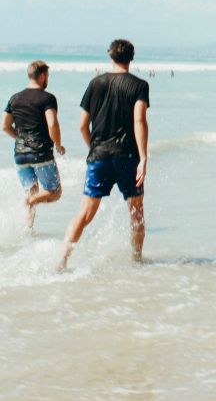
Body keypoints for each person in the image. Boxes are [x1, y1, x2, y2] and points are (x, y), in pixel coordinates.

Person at [58, 39, 149, 271]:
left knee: (85, 212)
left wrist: (94, 147)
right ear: (132, 58)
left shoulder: (95, 83)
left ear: (111, 57)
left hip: (99, 155)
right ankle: (137, 261)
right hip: (127, 156)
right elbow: (139, 120)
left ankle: (62, 260)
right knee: (136, 211)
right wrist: (144, 157)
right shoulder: (139, 85)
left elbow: (82, 125)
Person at [2, 60, 66, 228]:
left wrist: (21, 138)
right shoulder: (47, 98)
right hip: (41, 153)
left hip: (20, 155)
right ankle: (29, 201)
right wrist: (58, 144)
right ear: (43, 76)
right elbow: (52, 124)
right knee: (54, 192)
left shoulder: (14, 98)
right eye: (48, 77)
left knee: (32, 192)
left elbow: (5, 126)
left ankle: (27, 232)